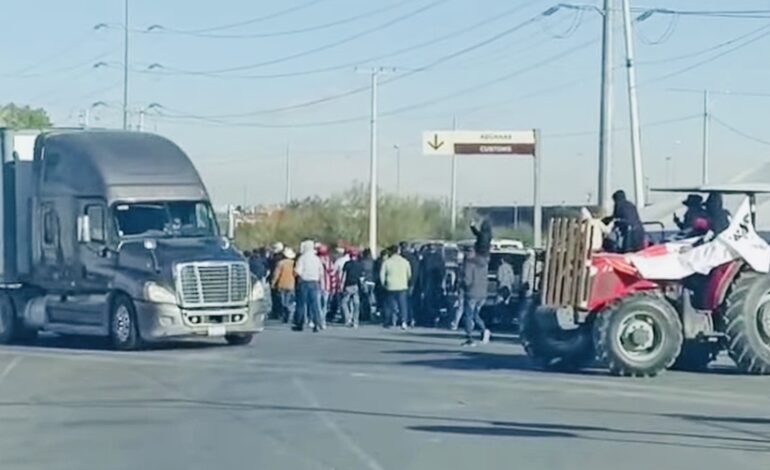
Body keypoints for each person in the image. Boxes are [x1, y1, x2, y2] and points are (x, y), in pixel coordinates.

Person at [462, 247, 491, 346]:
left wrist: (462, 285)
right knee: (475, 314)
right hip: (482, 293)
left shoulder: (469, 263)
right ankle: (484, 330)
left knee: (468, 315)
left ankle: (469, 338)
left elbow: (467, 279)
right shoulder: (483, 264)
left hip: (471, 292)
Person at [294, 240, 325, 332]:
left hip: (304, 282)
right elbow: (321, 272)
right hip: (315, 283)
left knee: (301, 304)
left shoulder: (302, 258)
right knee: (315, 305)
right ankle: (318, 324)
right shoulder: (317, 259)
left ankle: (300, 324)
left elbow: (297, 272)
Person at [380, 245, 412, 329]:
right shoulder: (405, 262)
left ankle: (388, 321)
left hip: (390, 286)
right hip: (402, 286)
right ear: (399, 251)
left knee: (389, 305)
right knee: (403, 305)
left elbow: (382, 275)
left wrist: (383, 284)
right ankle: (403, 322)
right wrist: (406, 282)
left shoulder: (387, 262)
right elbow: (409, 274)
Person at [271, 247, 296, 323]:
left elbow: (276, 274)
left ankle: (285, 313)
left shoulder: (280, 263)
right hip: (291, 284)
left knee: (282, 301)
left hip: (281, 284)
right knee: (289, 300)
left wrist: (273, 283)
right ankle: (288, 311)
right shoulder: (294, 264)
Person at [340, 249, 364, 328]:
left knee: (344, 302)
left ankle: (348, 319)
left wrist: (341, 285)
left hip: (348, 285)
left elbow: (343, 276)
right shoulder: (360, 265)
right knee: (356, 303)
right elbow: (361, 277)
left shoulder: (347, 264)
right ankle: (355, 321)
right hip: (356, 286)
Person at [399, 242, 420, 327]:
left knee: (402, 302)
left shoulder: (402, 257)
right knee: (408, 302)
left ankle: (405, 319)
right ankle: (410, 319)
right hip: (410, 282)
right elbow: (415, 271)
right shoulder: (413, 258)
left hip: (402, 282)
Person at [317, 244, 334, 329]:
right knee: (324, 305)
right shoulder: (329, 261)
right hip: (326, 285)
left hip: (318, 284)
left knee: (318, 304)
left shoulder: (316, 260)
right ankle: (322, 321)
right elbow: (332, 273)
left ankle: (318, 320)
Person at [359, 248, 377, 320]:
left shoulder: (362, 262)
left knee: (364, 298)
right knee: (371, 298)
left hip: (365, 281)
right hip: (372, 281)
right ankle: (372, 314)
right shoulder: (373, 262)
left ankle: (365, 314)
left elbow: (361, 273)